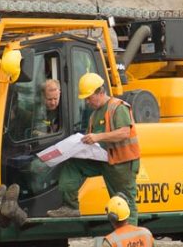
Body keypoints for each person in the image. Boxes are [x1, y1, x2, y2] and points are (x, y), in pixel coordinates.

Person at [48, 71, 139, 217]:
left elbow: (124, 133)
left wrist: (97, 137)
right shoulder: (94, 115)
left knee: (125, 204)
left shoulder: (118, 107)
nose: (87, 102)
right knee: (72, 165)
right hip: (103, 160)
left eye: (89, 98)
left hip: (122, 164)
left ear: (100, 92)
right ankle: (70, 207)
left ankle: (130, 238)